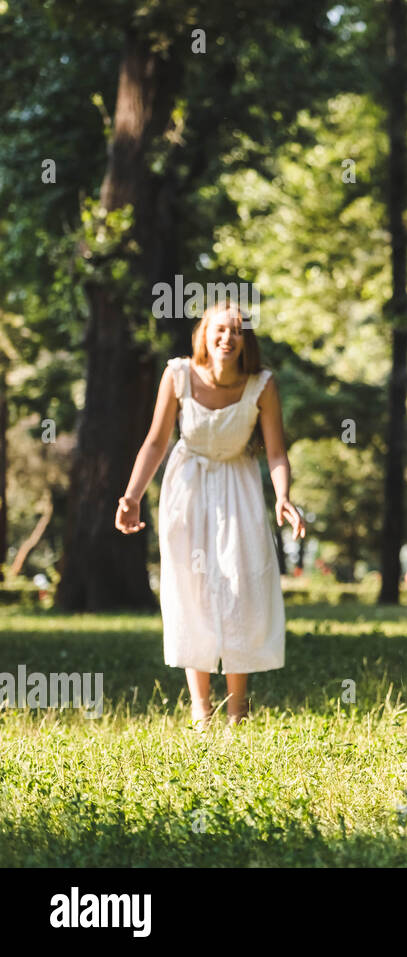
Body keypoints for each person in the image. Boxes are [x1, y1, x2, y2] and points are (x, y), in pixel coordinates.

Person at [115, 301, 306, 728]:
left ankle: (237, 709)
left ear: (245, 341)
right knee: (192, 587)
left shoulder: (262, 385)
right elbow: (155, 443)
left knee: (242, 587)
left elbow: (275, 451)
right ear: (204, 334)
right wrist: (131, 496)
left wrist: (283, 496)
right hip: (188, 486)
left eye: (237, 331)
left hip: (238, 486)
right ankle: (201, 710)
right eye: (220, 329)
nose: (227, 337)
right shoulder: (178, 375)